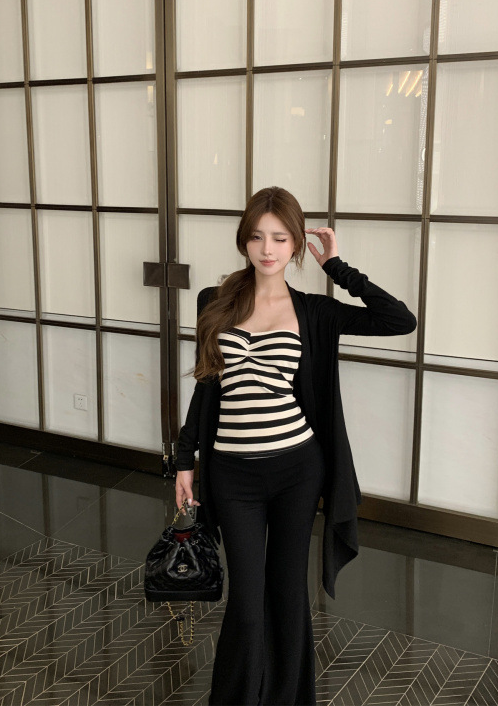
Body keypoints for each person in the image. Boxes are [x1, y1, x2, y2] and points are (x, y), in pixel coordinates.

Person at [174, 187, 417, 706]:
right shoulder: (214, 302)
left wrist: (338, 268)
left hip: (296, 470)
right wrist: (184, 460)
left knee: (287, 594)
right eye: (258, 237)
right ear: (244, 240)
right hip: (232, 475)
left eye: (281, 238)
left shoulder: (315, 312)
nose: (268, 249)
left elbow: (399, 320)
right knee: (246, 603)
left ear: (296, 245)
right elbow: (205, 385)